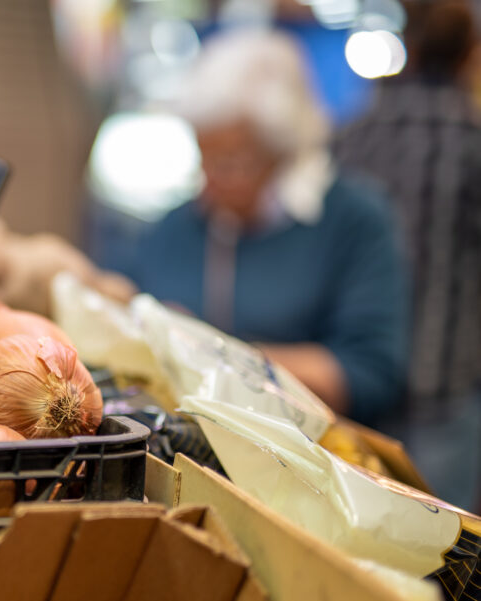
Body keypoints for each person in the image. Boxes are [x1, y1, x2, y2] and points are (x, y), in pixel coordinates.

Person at [101, 28, 410, 428]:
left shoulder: (353, 220)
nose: (209, 182)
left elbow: (371, 374)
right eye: (202, 158)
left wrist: (215, 358)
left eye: (230, 164)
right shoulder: (178, 226)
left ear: (281, 150)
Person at [334, 0, 481, 510]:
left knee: (359, 547)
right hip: (446, 382)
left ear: (409, 48)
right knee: (444, 558)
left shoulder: (355, 135)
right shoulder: (472, 139)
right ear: (468, 55)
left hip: (359, 379)